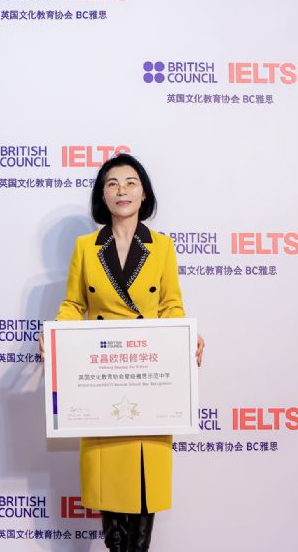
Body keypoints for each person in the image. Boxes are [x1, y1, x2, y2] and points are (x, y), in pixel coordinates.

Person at [43, 153, 204, 552]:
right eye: (112, 184)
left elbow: (170, 305)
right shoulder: (86, 247)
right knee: (109, 481)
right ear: (103, 195)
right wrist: (55, 334)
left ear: (143, 192)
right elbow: (74, 304)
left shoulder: (162, 247)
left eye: (130, 182)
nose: (122, 190)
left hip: (148, 374)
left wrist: (187, 337)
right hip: (103, 376)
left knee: (146, 480)